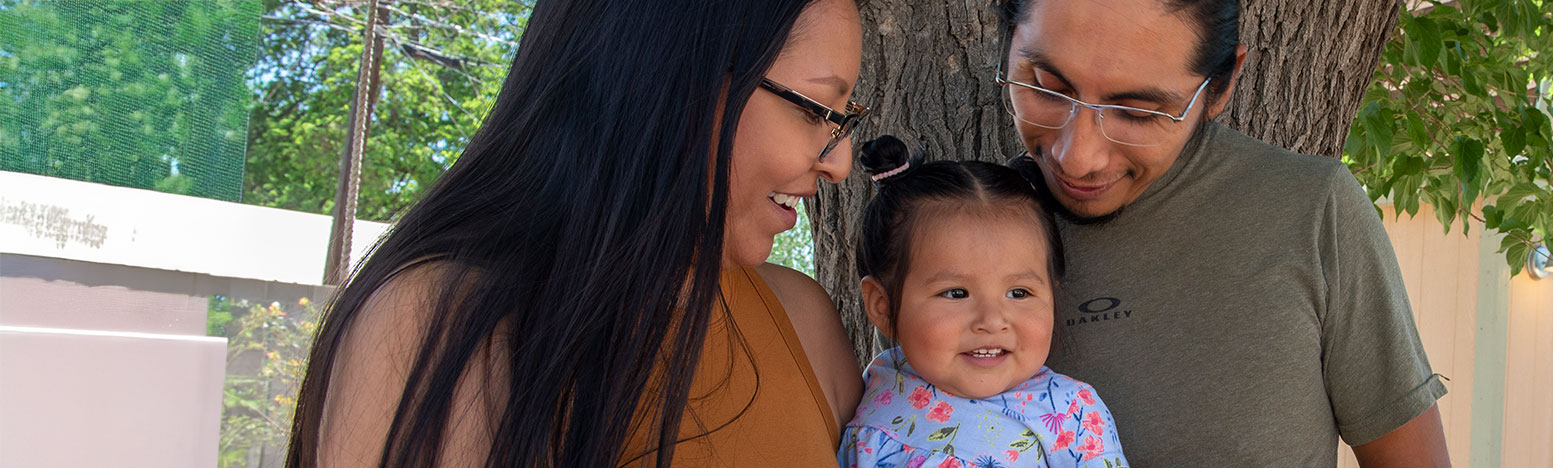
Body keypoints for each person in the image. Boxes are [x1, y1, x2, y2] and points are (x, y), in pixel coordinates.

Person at [282, 0, 867, 466]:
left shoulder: (803, 322)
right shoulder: (440, 325)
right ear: (666, 75)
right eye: (816, 108)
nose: (839, 164)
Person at [995, 0, 1453, 466]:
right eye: (1046, 88)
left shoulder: (1311, 213)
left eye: (1138, 112)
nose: (1078, 157)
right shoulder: (962, 230)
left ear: (1221, 86)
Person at [835, 136, 1127, 468]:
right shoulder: (874, 386)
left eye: (1019, 293)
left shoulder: (1070, 413)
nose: (992, 319)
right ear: (882, 306)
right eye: (956, 293)